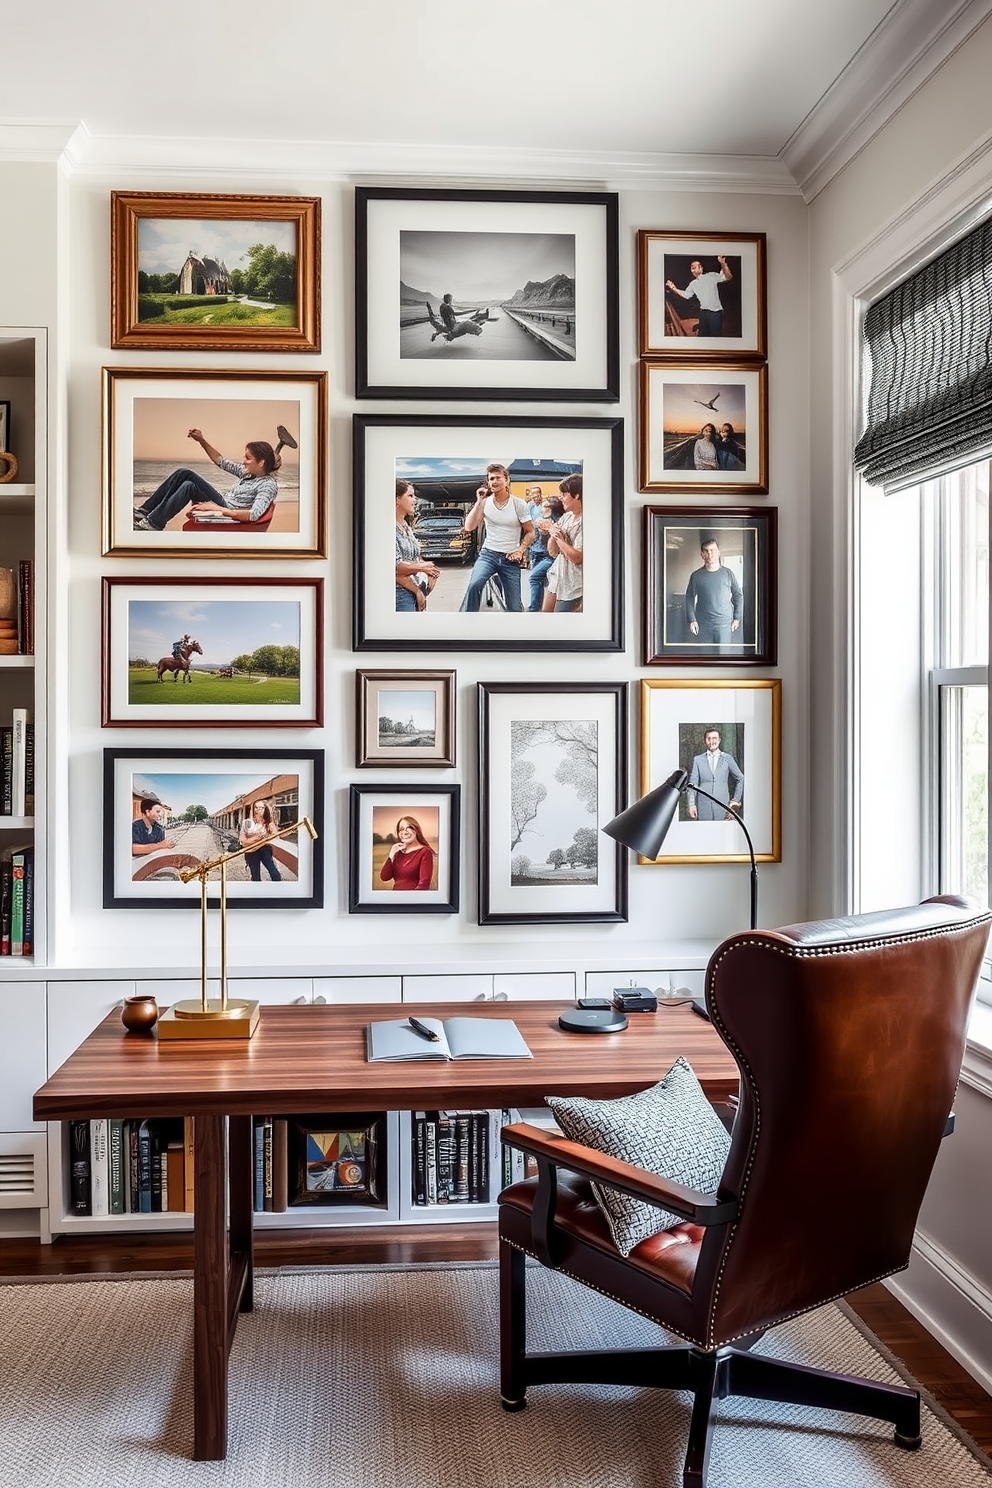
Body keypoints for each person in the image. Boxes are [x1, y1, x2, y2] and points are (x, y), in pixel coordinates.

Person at [132, 428, 279, 531]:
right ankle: (145, 512)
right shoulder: (247, 473)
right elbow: (221, 461)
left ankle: (153, 523)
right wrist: (201, 440)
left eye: (248, 458)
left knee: (188, 484)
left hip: (226, 507)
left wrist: (218, 509)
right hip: (223, 501)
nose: (243, 461)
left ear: (261, 463)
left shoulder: (267, 485)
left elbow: (253, 515)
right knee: (184, 475)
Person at [460, 464, 534, 613]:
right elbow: (469, 526)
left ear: (507, 480)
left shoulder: (518, 504)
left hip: (510, 558)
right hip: (489, 554)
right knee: (474, 585)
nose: (494, 481)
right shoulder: (485, 503)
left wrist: (521, 550)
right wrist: (479, 501)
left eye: (498, 478)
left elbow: (531, 532)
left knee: (514, 607)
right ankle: (467, 623)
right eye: (491, 479)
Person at [685, 536, 743, 645]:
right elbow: (689, 598)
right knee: (705, 658)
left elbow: (738, 596)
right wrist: (692, 620)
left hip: (724, 624)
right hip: (703, 624)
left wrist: (737, 618)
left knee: (723, 658)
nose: (710, 554)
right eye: (706, 551)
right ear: (702, 555)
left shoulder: (728, 573)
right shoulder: (696, 576)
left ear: (718, 553)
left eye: (713, 551)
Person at [394, 479, 440, 612]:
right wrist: (423, 569)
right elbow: (395, 568)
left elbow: (415, 555)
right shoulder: (388, 528)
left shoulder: (406, 526)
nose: (415, 500)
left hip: (414, 590)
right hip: (400, 595)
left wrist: (431, 572)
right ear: (397, 499)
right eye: (410, 496)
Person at [542, 474, 583, 613]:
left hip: (574, 585)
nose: (561, 498)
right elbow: (552, 552)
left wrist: (559, 537)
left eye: (564, 494)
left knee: (562, 627)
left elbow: (577, 558)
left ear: (576, 495)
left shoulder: (585, 522)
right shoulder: (566, 517)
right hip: (557, 578)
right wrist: (553, 534)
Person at [665, 254, 732, 338]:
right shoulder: (693, 284)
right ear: (691, 270)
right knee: (702, 337)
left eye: (698, 266)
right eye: (693, 267)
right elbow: (686, 295)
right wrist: (673, 288)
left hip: (715, 313)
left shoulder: (711, 276)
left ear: (702, 268)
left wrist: (723, 263)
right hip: (703, 313)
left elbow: (728, 277)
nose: (695, 269)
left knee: (715, 338)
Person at [687, 729, 744, 821]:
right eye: (708, 738)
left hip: (723, 807)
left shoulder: (727, 758)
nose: (711, 741)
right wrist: (691, 804)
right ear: (705, 740)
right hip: (703, 807)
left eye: (714, 738)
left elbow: (740, 778)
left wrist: (735, 802)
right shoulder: (697, 760)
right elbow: (692, 784)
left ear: (719, 740)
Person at [525, 487, 563, 612]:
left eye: (537, 494)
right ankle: (539, 607)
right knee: (538, 581)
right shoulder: (530, 508)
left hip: (548, 555)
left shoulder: (554, 518)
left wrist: (546, 530)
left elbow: (554, 536)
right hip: (535, 551)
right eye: (533, 494)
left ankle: (534, 609)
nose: (536, 497)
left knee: (535, 578)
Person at [379, 815, 435, 890]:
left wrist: (409, 899)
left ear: (416, 830)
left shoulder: (424, 852)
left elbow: (424, 884)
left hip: (413, 900)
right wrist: (391, 854)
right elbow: (384, 877)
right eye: (401, 829)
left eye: (409, 828)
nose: (404, 832)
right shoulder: (397, 853)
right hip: (395, 899)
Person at [239, 799, 282, 882]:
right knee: (255, 877)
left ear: (265, 809)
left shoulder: (269, 823)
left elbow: (276, 837)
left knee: (275, 874)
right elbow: (242, 841)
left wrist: (270, 835)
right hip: (251, 851)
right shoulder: (247, 822)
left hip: (264, 850)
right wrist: (256, 839)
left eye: (261, 808)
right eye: (256, 807)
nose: (257, 810)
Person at [426, 293, 494, 342]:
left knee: (470, 321)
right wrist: (470, 311)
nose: (452, 301)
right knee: (467, 323)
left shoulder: (443, 307)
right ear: (449, 300)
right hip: (453, 328)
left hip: (451, 327)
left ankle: (480, 321)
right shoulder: (447, 307)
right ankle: (478, 326)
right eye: (451, 300)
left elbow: (442, 319)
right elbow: (456, 313)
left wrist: (429, 309)